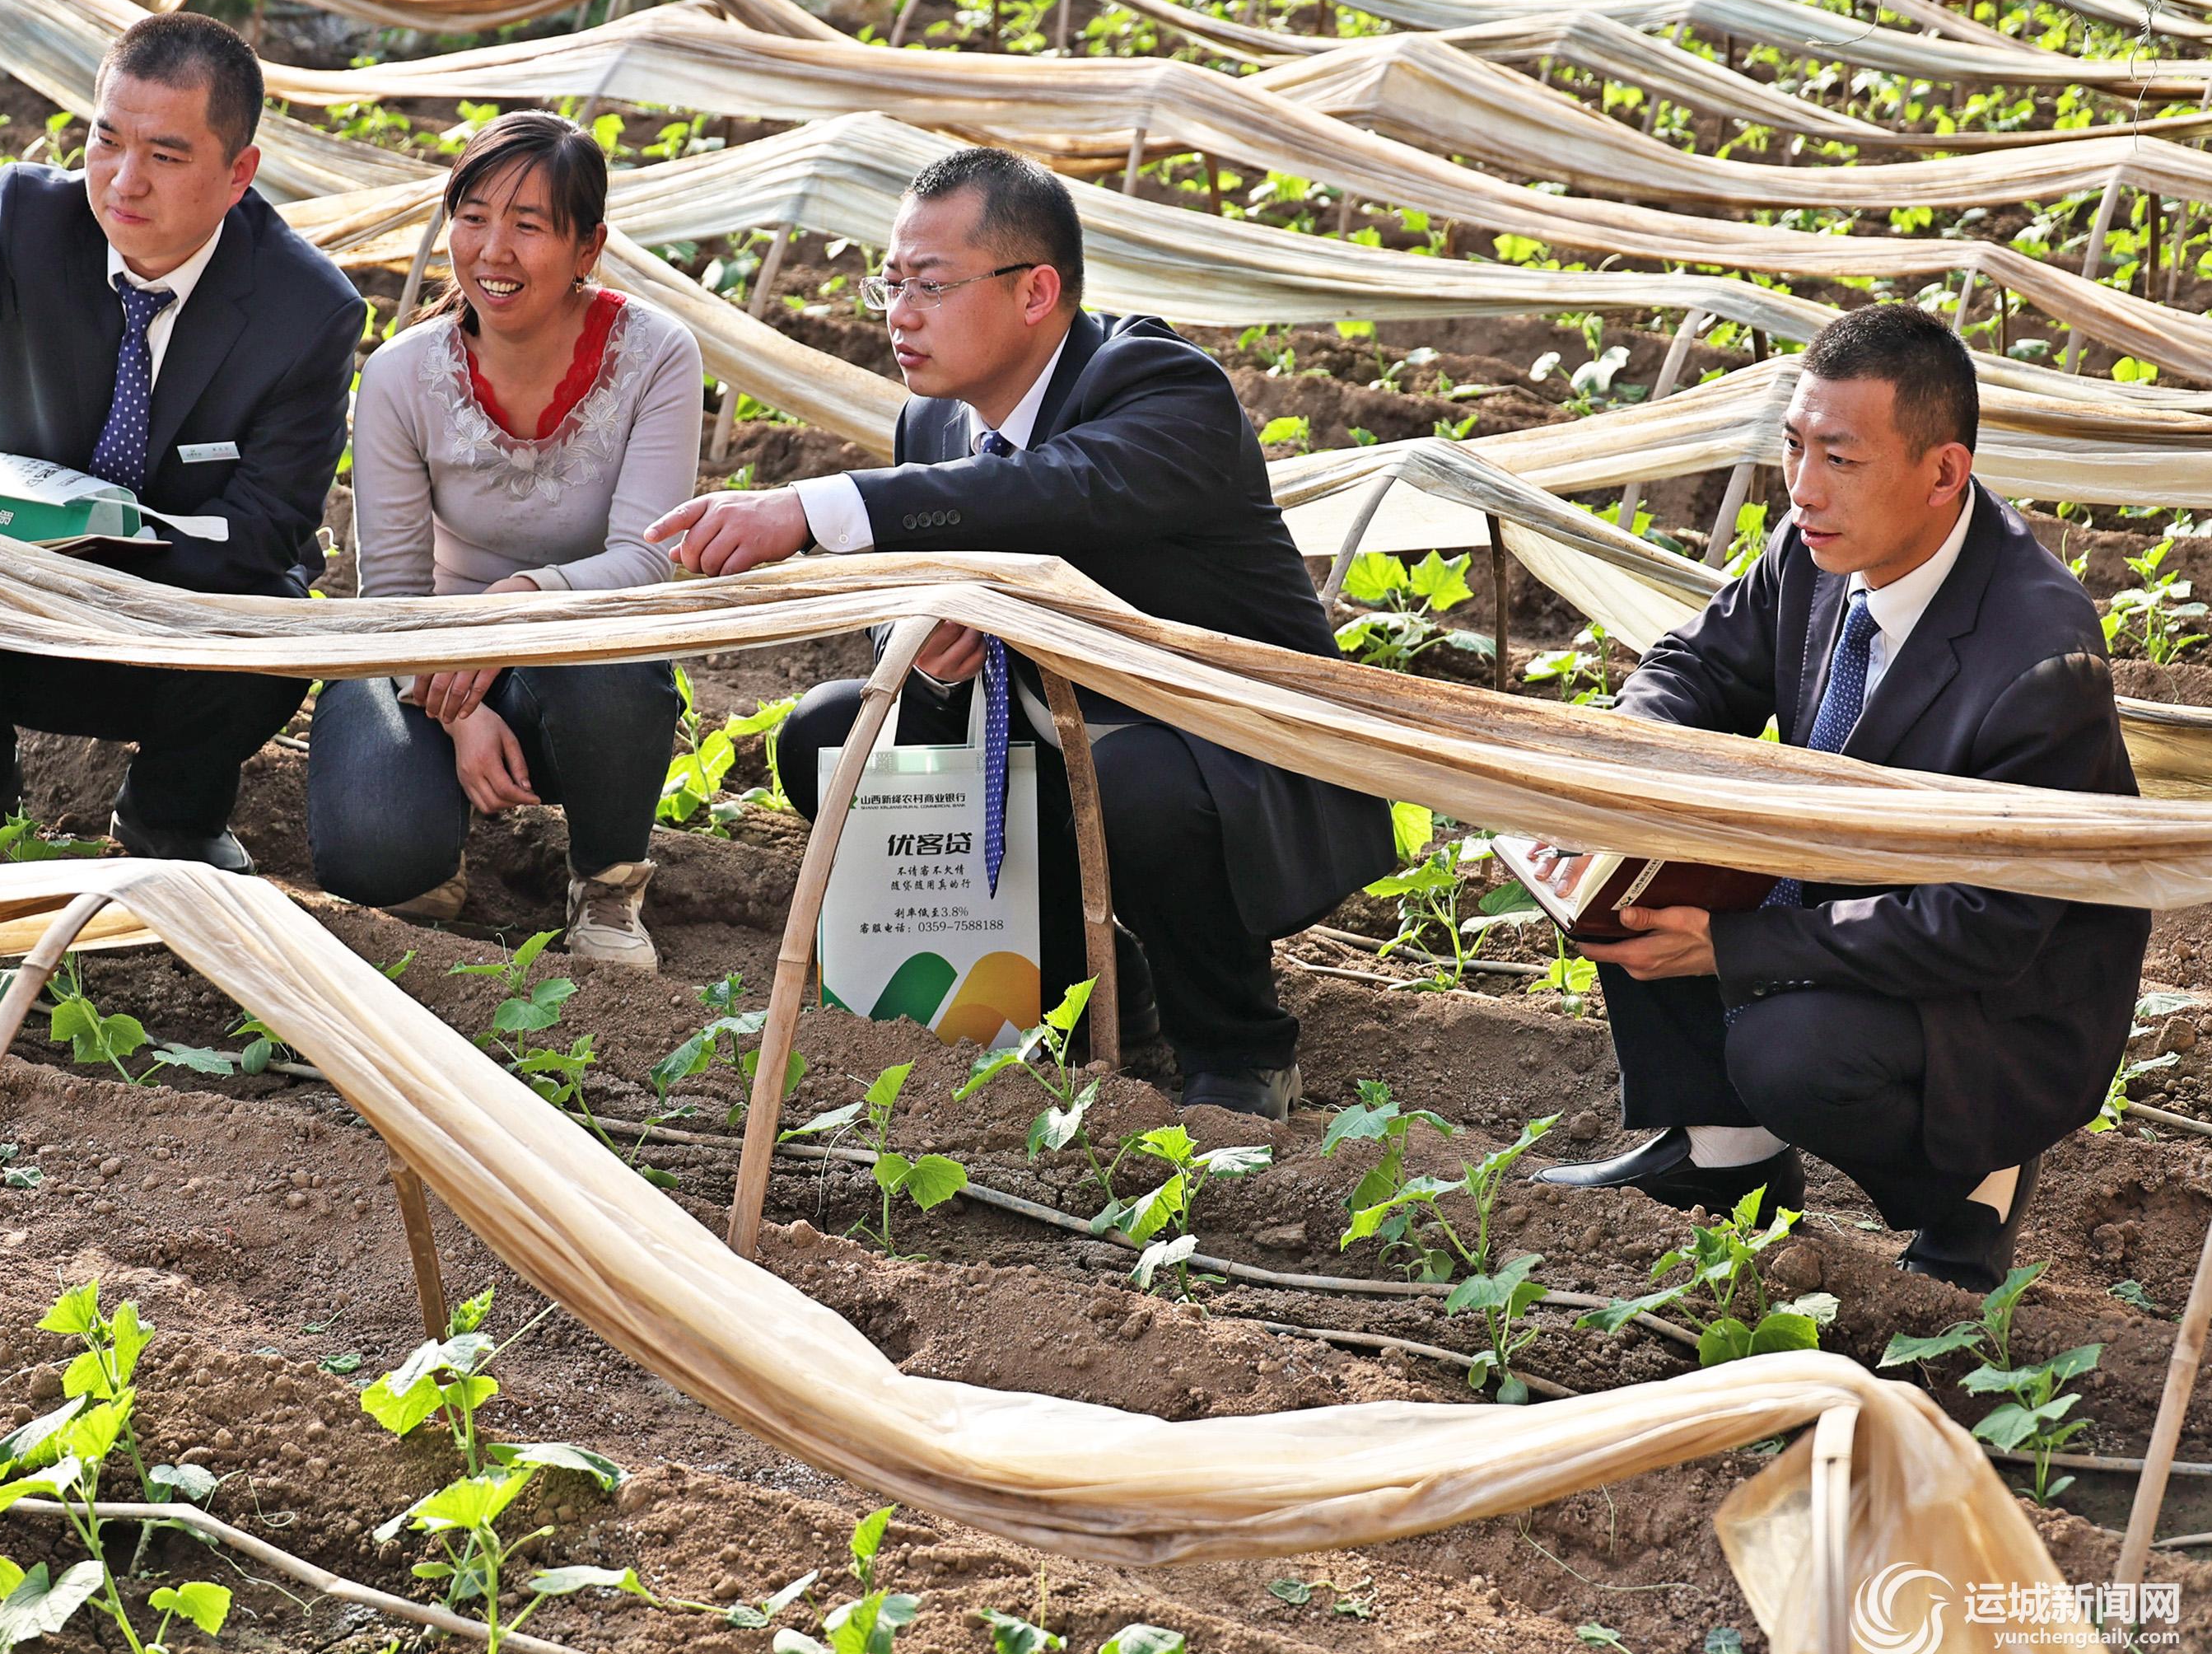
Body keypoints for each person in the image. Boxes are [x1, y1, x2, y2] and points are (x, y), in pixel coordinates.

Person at [647, 146, 1393, 1118]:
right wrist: (929, 660)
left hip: (1228, 756)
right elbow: (911, 597)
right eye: (890, 283)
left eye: (930, 284)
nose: (900, 313)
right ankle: (1094, 982)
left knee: (1131, 783)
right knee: (830, 735)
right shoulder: (932, 424)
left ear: (1036, 290)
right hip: (1042, 735)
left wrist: (810, 506)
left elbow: (1058, 487)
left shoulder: (1160, 385)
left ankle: (1241, 1049)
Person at [1530, 304, 2147, 1292]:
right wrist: (1620, 775)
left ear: (1942, 473)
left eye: (1840, 458)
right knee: (1622, 873)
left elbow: (1987, 927)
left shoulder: (2039, 662)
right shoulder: (1815, 546)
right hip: (1844, 885)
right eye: (1793, 447)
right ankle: (1728, 1155)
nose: (1804, 487)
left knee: (1791, 1052)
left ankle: (1974, 1188)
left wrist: (1733, 946)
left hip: (1997, 994)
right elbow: (1696, 666)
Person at [0, 12, 366, 873]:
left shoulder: (307, 311)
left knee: (277, 630)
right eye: (106, 141)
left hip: (172, 621)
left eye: (166, 156)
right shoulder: (32, 218)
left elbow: (268, 528)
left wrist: (105, 547)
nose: (123, 182)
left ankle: (171, 817)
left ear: (239, 174)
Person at [307, 112, 698, 970]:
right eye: (474, 217)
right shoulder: (402, 375)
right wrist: (460, 713)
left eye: (528, 226)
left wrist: (517, 603)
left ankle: (607, 880)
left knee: (614, 660)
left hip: (582, 656)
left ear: (588, 247)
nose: (493, 250)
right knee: (378, 859)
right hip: (430, 652)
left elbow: (646, 560)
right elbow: (394, 594)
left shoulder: (656, 356)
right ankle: (429, 844)